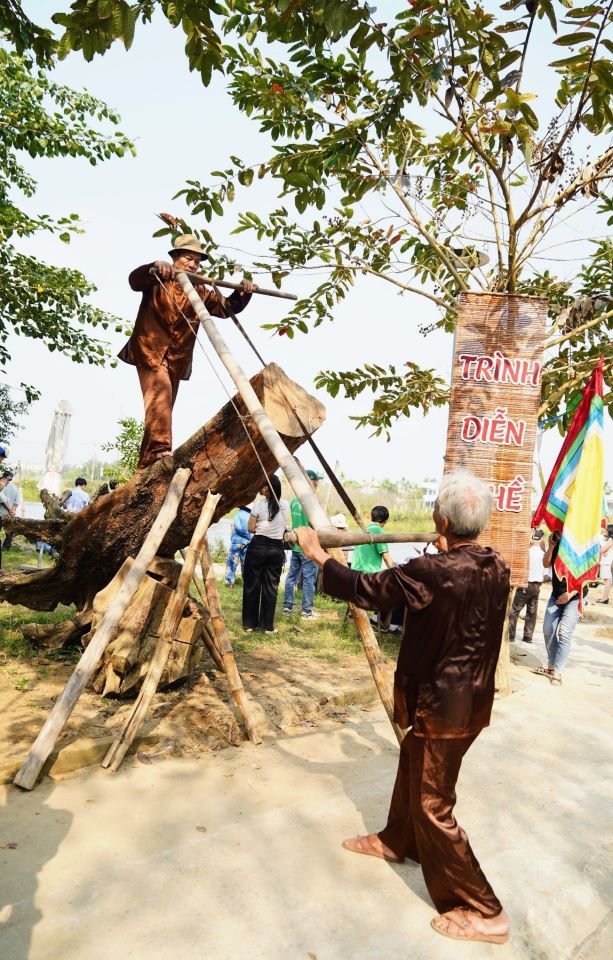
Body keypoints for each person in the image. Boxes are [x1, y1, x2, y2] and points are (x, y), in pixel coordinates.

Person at [295, 470, 511, 945]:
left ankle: (487, 911)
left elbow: (369, 589)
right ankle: (398, 839)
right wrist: (443, 548)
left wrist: (316, 554)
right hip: (471, 701)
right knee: (412, 760)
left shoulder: (431, 572)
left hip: (444, 704)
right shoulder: (496, 565)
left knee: (435, 805)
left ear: (441, 517)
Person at [119, 234, 257, 469]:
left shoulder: (200, 291)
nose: (193, 264)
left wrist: (244, 292)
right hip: (151, 351)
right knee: (159, 400)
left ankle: (145, 466)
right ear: (175, 259)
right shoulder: (157, 278)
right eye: (188, 259)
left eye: (197, 261)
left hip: (177, 358)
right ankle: (162, 451)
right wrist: (153, 267)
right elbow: (134, 280)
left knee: (161, 410)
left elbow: (225, 308)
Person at [536, 529, 587, 686]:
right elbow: (546, 564)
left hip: (575, 596)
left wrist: (571, 593)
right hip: (556, 595)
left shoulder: (582, 546)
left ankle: (557, 672)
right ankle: (551, 664)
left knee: (564, 632)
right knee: (547, 629)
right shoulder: (557, 545)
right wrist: (551, 547)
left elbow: (588, 575)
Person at [242, 475, 290, 633]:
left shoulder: (259, 504)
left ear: (269, 488)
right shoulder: (285, 505)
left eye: (264, 486)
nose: (261, 488)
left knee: (252, 585)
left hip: (258, 547)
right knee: (271, 588)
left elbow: (250, 528)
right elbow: (284, 526)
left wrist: (262, 528)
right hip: (276, 548)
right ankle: (267, 626)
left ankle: (249, 624)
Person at [283, 469, 324, 619]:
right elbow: (318, 524)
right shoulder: (311, 501)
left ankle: (287, 606)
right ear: (310, 482)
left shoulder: (295, 499)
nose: (317, 484)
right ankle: (307, 611)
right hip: (309, 548)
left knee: (291, 577)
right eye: (316, 481)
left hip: (296, 545)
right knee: (308, 580)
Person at [508, 528, 545, 644]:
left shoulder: (526, 552)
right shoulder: (543, 554)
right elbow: (545, 573)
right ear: (541, 540)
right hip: (536, 586)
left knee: (515, 611)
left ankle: (511, 635)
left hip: (525, 585)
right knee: (532, 612)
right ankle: (528, 636)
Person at [352, 505, 394, 574]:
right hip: (368, 575)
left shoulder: (360, 530)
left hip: (354, 572)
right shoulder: (379, 531)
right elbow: (386, 557)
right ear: (386, 520)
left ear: (371, 518)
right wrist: (396, 573)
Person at [224, 505, 253, 588]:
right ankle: (247, 584)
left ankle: (229, 583)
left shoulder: (238, 514)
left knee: (232, 563)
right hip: (248, 543)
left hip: (236, 542)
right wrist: (249, 537)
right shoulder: (251, 516)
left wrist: (246, 535)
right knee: (246, 564)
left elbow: (238, 527)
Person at [0, 470, 19, 550]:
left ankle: (4, 548)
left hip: (1, 513)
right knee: (9, 531)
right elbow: (17, 501)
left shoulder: (2, 486)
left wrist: (9, 509)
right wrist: (13, 510)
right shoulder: (15, 487)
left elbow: (3, 500)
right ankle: (6, 547)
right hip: (10, 514)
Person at [596, 524, 613, 604]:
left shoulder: (611, 540)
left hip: (607, 563)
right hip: (606, 562)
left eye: (607, 529)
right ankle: (605, 598)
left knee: (607, 580)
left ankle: (605, 598)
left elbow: (603, 550)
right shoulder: (608, 539)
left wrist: (602, 550)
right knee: (607, 580)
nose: (605, 530)